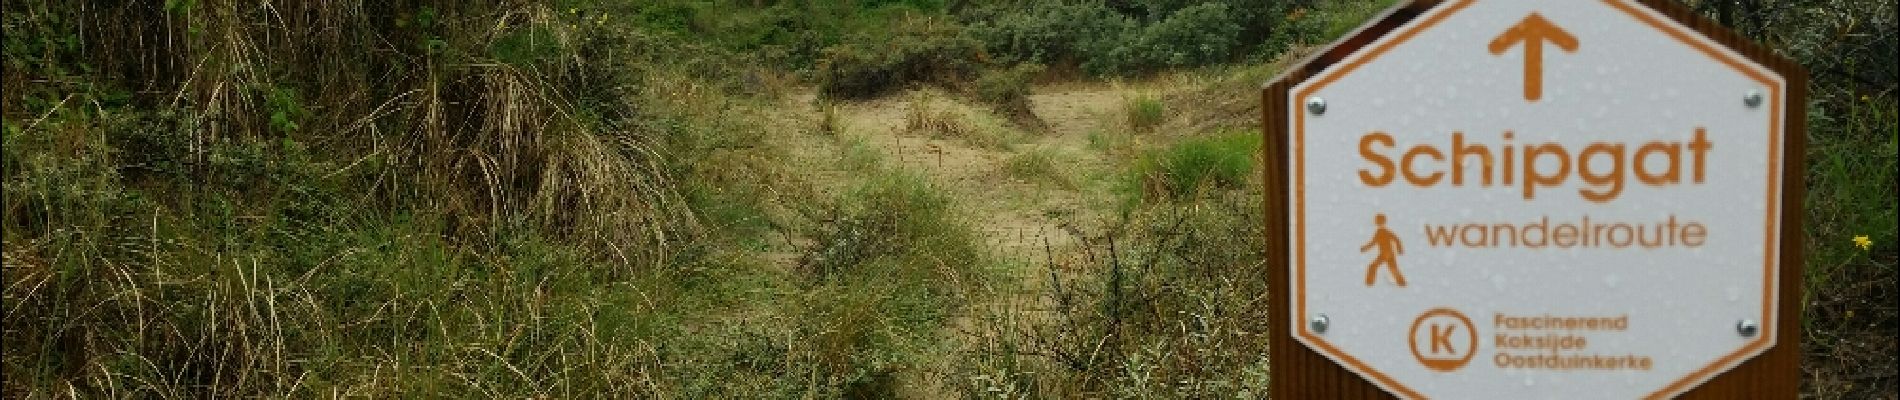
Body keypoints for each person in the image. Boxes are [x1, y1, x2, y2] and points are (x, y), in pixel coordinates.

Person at [1361, 213, 1407, 287]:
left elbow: (1373, 243)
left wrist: (1364, 248)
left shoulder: (1379, 232)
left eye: (1376, 221)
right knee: (1393, 268)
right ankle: (1402, 283)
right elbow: (1396, 239)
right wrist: (1400, 249)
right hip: (1391, 253)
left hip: (1385, 254)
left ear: (1377, 222)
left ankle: (1369, 283)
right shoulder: (1386, 231)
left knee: (1372, 266)